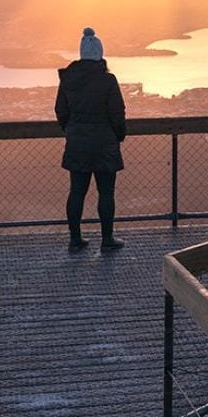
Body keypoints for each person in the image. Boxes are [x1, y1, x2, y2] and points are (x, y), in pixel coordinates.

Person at [55, 26, 127, 253]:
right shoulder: (108, 80)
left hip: (77, 142)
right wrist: (118, 135)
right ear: (100, 54)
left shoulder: (68, 79)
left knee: (77, 191)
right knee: (106, 193)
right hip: (104, 143)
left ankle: (75, 239)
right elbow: (117, 112)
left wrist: (71, 130)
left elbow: (60, 110)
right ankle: (107, 239)